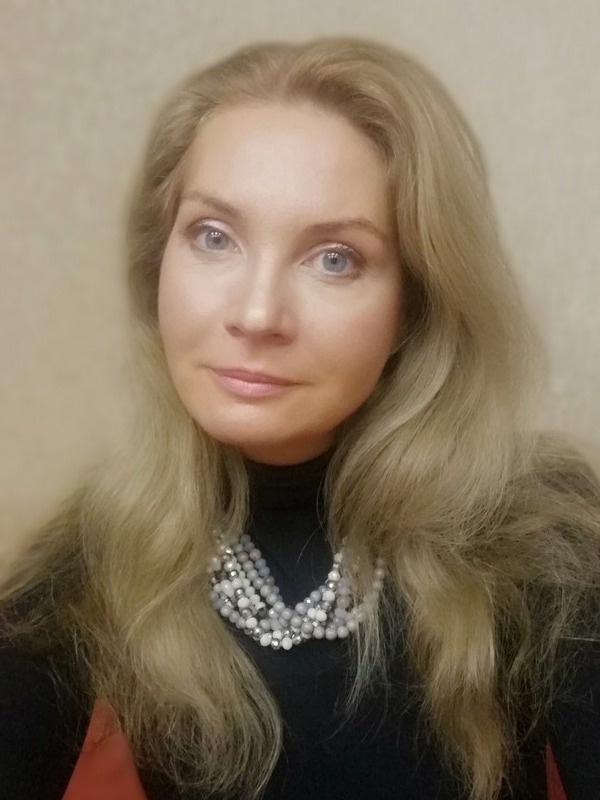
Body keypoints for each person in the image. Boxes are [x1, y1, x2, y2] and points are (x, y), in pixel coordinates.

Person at [1, 36, 599, 800]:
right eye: (214, 237)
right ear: (159, 265)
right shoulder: (96, 551)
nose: (256, 314)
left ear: (414, 305)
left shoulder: (539, 527)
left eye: (335, 258)